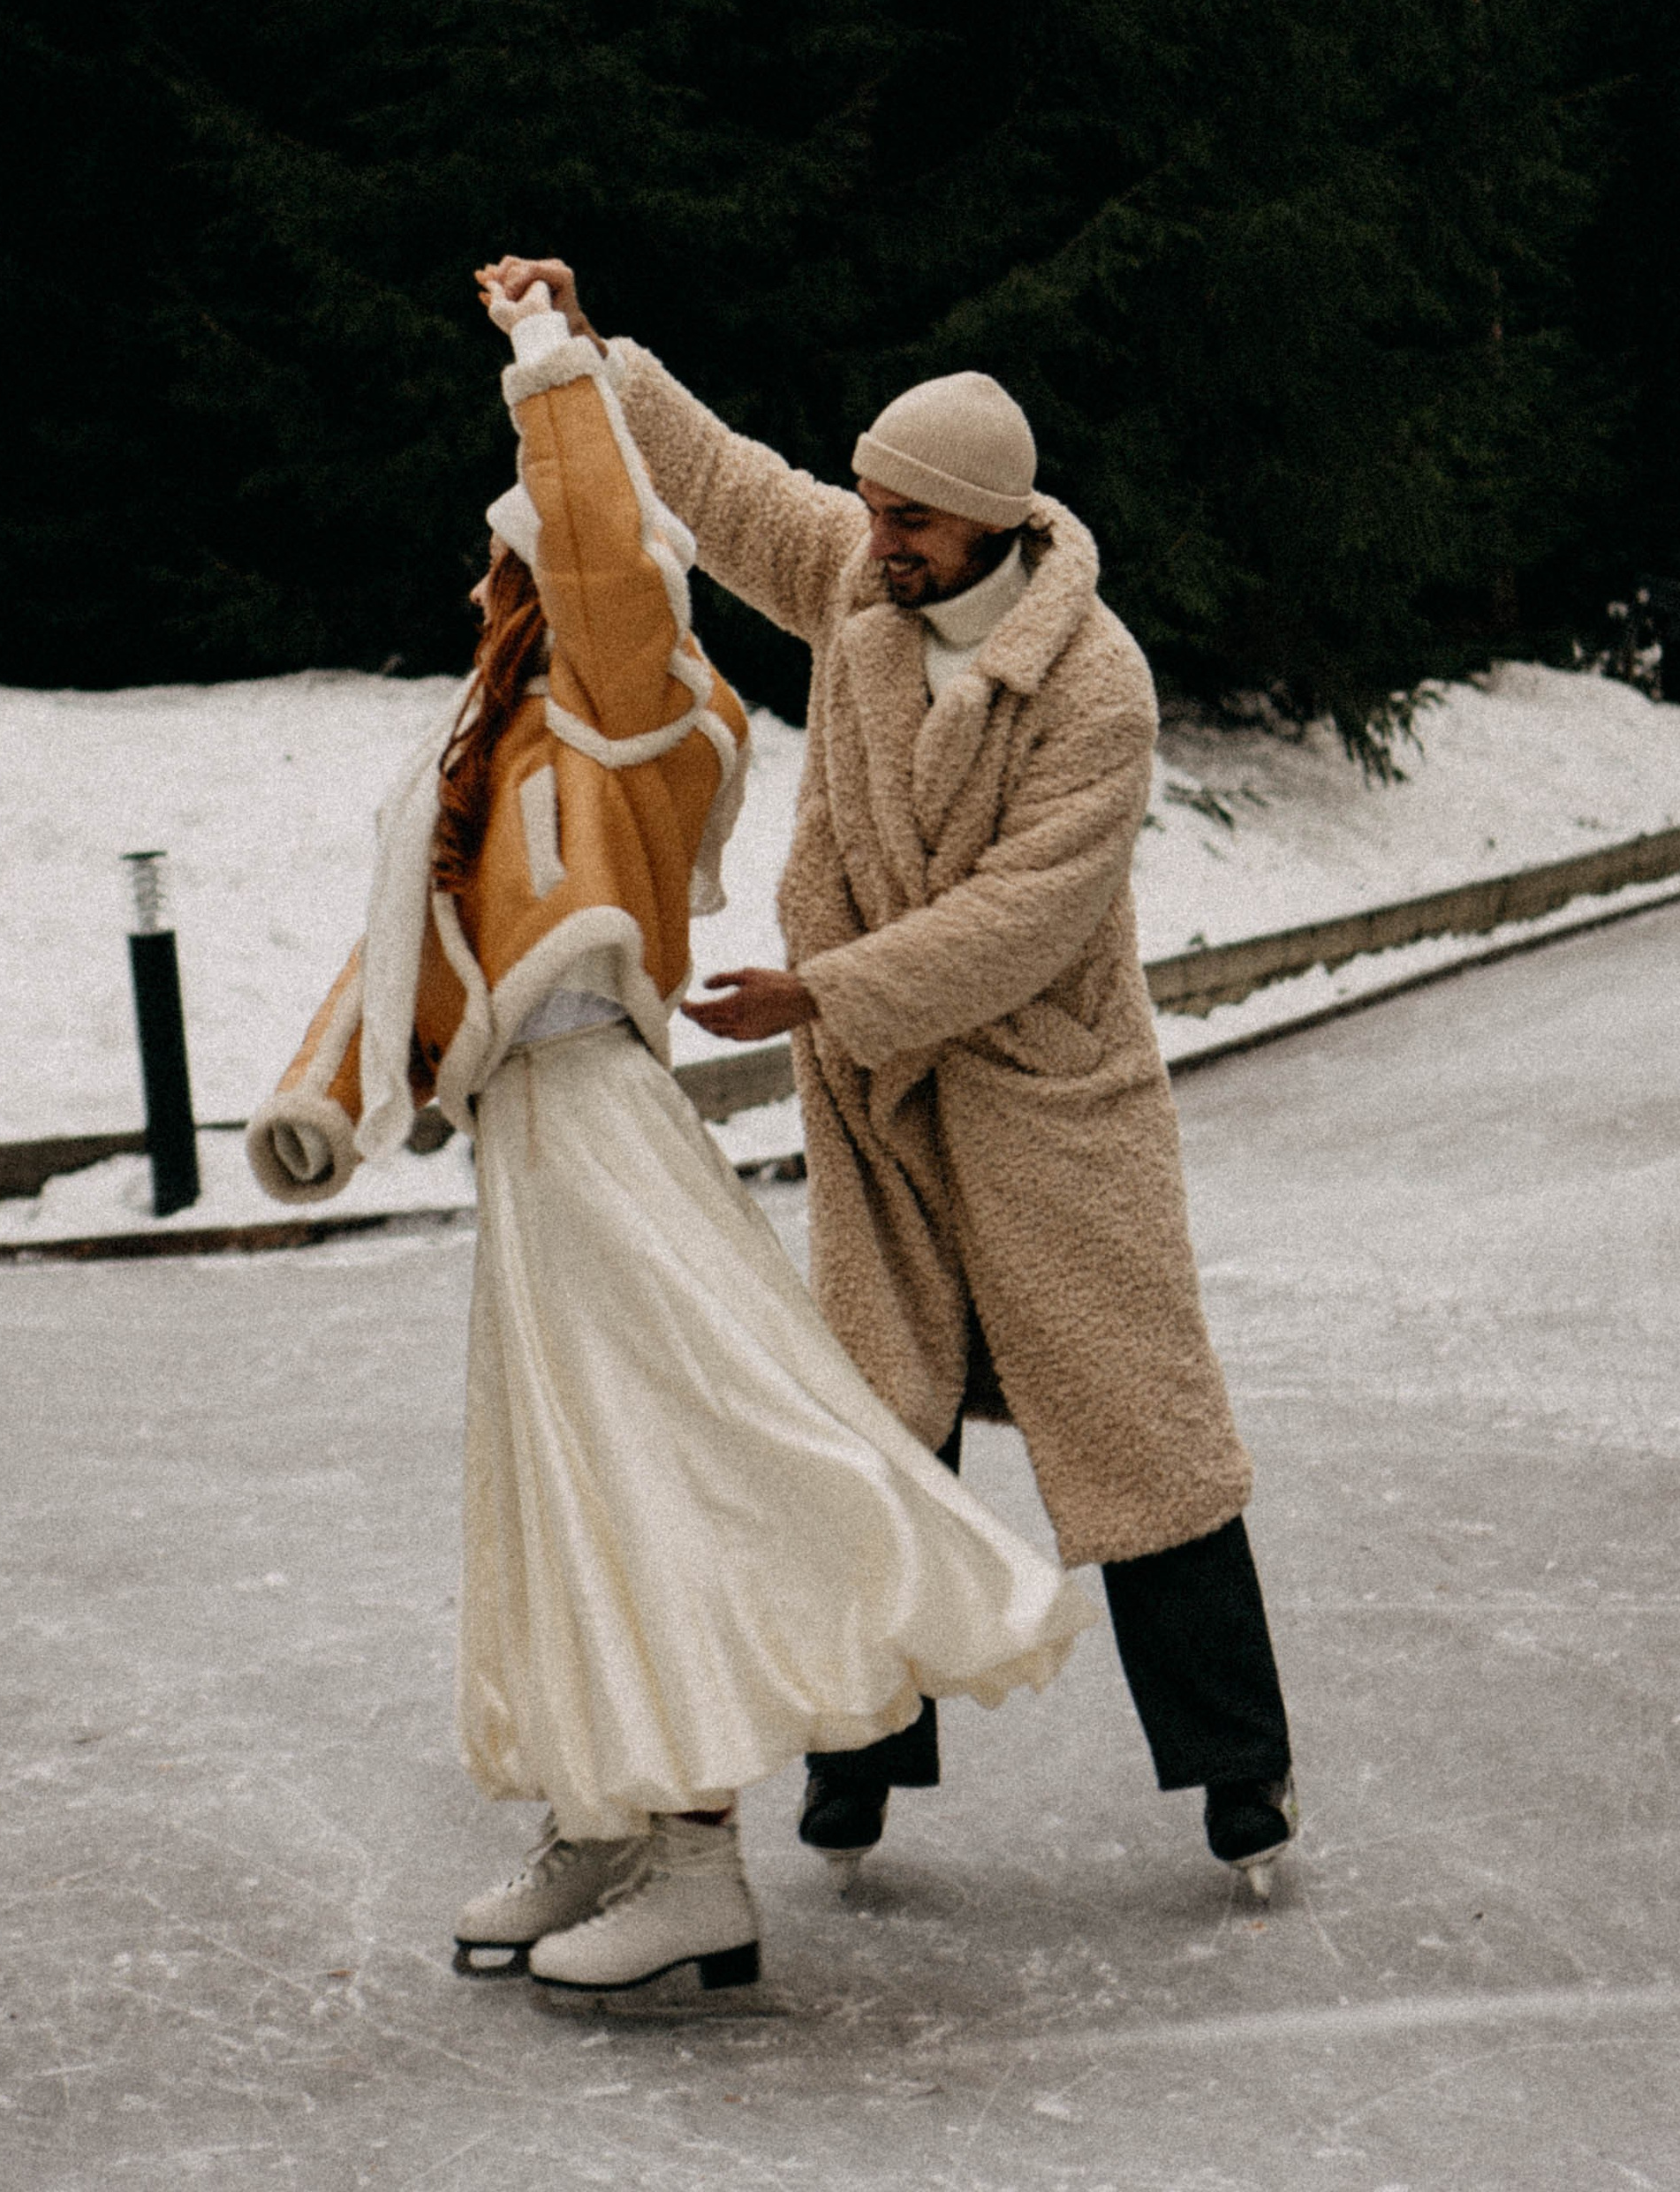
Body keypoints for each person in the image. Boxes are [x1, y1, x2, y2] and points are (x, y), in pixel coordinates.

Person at [247, 268, 1094, 1999]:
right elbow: (405, 943)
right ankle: (602, 1824)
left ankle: (698, 1859)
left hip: (610, 1133)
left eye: (517, 561)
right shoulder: (492, 746)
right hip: (526, 1149)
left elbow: (601, 539)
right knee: (557, 1500)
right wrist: (316, 1109)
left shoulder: (635, 700)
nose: (491, 586)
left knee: (669, 1473)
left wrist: (552, 363)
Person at [479, 257, 1298, 1901]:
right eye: (869, 507)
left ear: (990, 524)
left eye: (908, 518)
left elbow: (1026, 918)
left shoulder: (1094, 684)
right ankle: (856, 1773)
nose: (874, 536)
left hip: (1050, 1108)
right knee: (869, 1433)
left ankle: (1243, 1777)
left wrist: (824, 990)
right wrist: (583, 351)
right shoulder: (861, 591)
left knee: (1146, 1448)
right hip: (887, 1116)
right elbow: (724, 483)